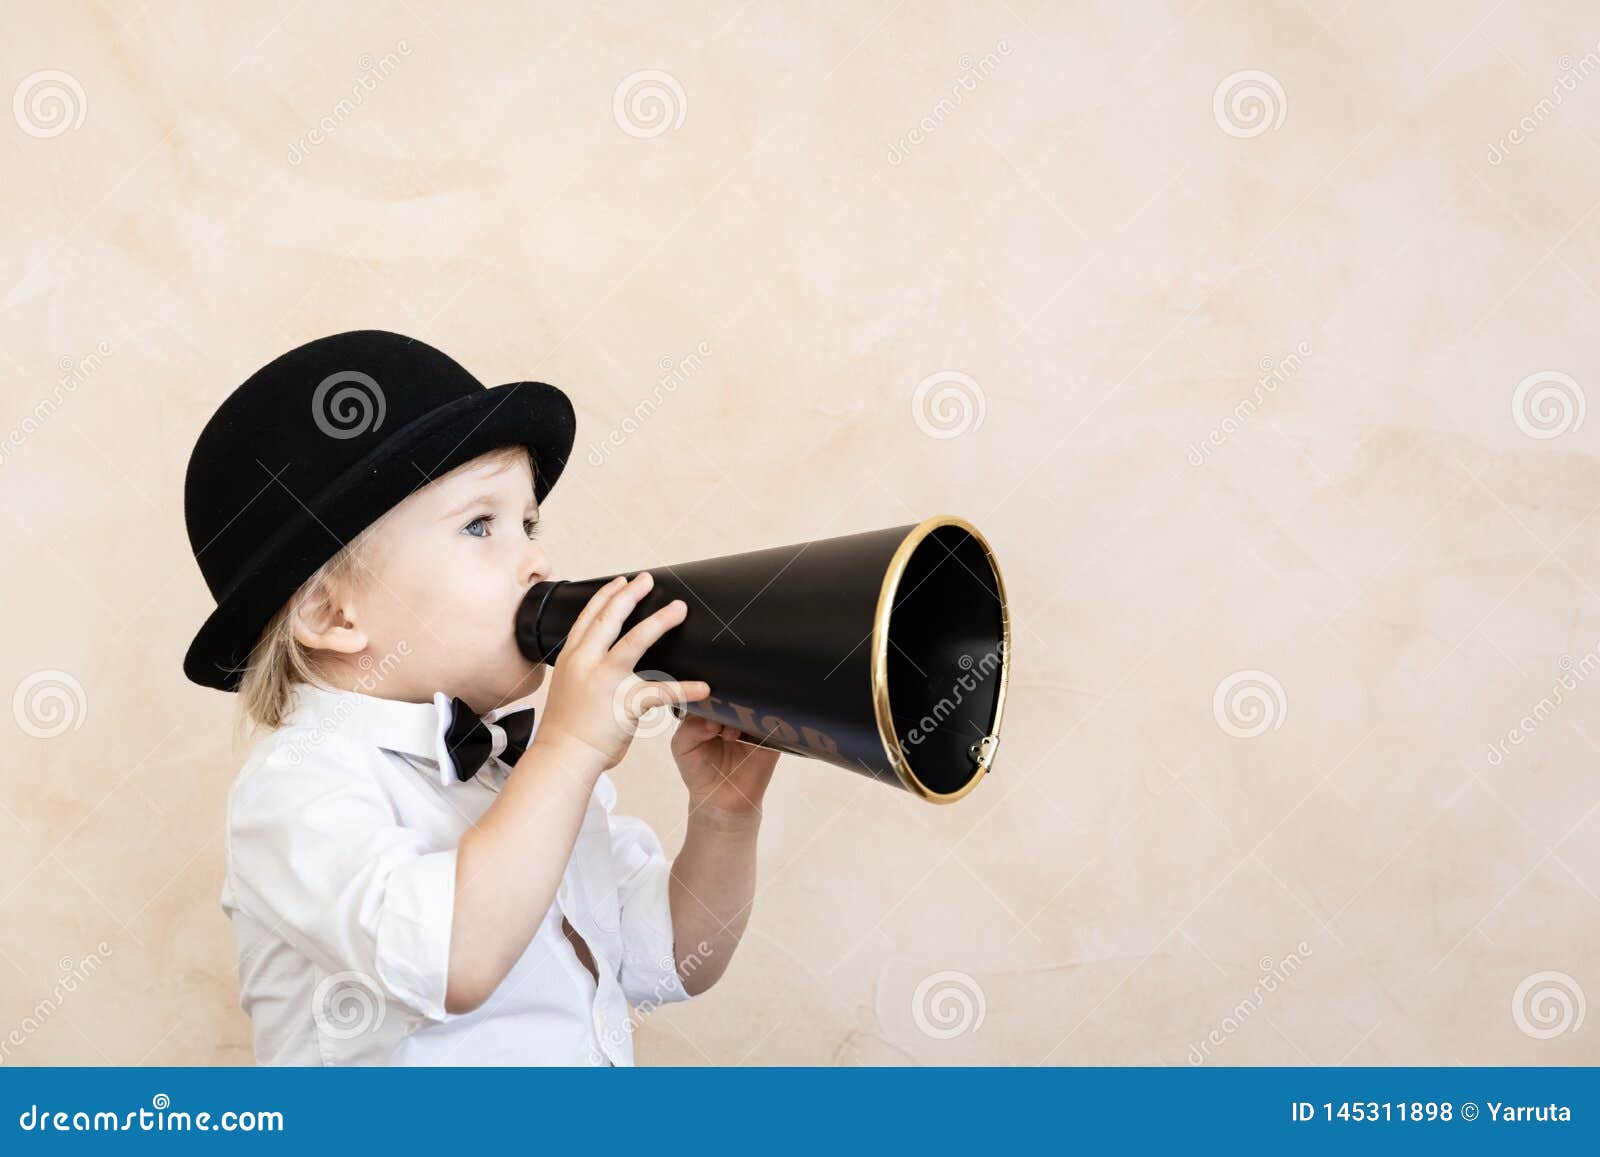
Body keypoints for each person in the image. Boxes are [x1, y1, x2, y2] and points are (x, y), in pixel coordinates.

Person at [180, 329, 777, 1064]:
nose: (537, 558)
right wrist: (569, 750)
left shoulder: (521, 770)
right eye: (478, 525)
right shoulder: (296, 786)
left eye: (528, 522)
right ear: (334, 615)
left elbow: (670, 961)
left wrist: (724, 818)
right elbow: (451, 959)